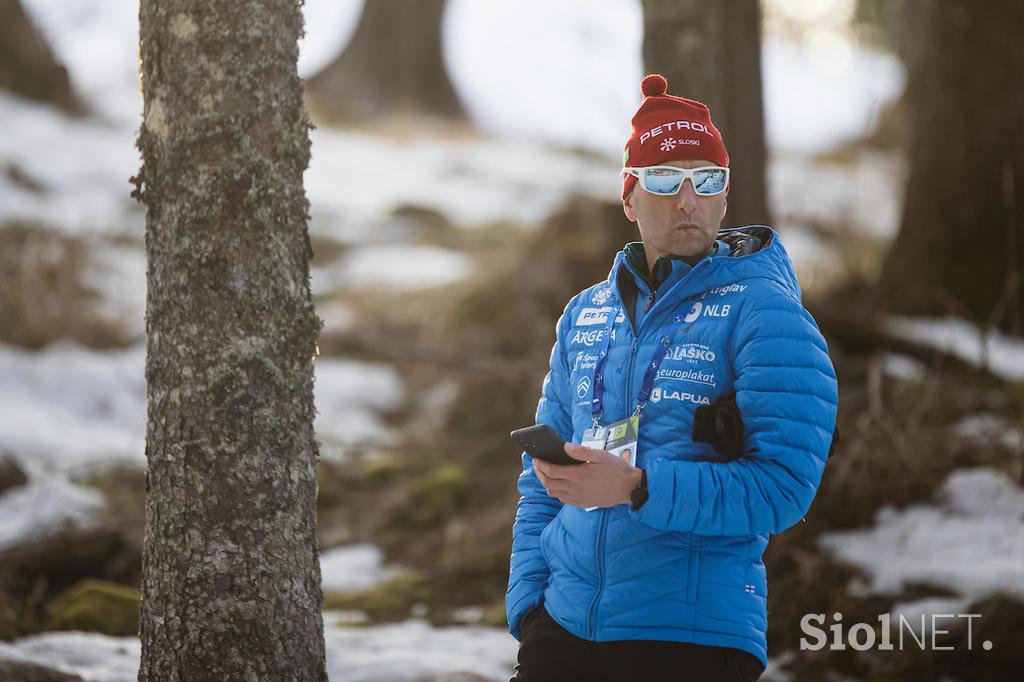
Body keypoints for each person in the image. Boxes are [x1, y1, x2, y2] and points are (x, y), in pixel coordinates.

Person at [505, 74, 839, 681]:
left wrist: (638, 486)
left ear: (725, 195)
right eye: (665, 179)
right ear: (629, 198)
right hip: (563, 631)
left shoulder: (765, 313)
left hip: (692, 638)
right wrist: (529, 605)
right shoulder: (587, 313)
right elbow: (540, 482)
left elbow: (785, 486)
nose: (688, 200)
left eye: (706, 180)